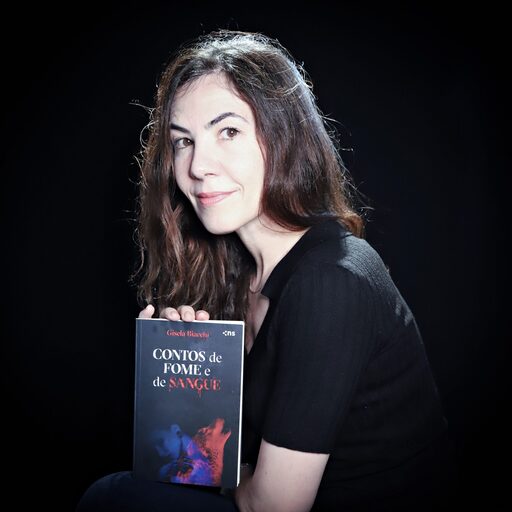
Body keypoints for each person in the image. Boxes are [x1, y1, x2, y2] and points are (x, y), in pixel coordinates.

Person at [76, 29, 458, 512]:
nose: (197, 166)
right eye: (183, 141)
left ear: (284, 137)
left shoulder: (331, 280)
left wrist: (211, 469)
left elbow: (275, 504)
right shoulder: (237, 272)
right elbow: (213, 453)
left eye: (228, 132)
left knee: (113, 497)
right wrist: (186, 380)